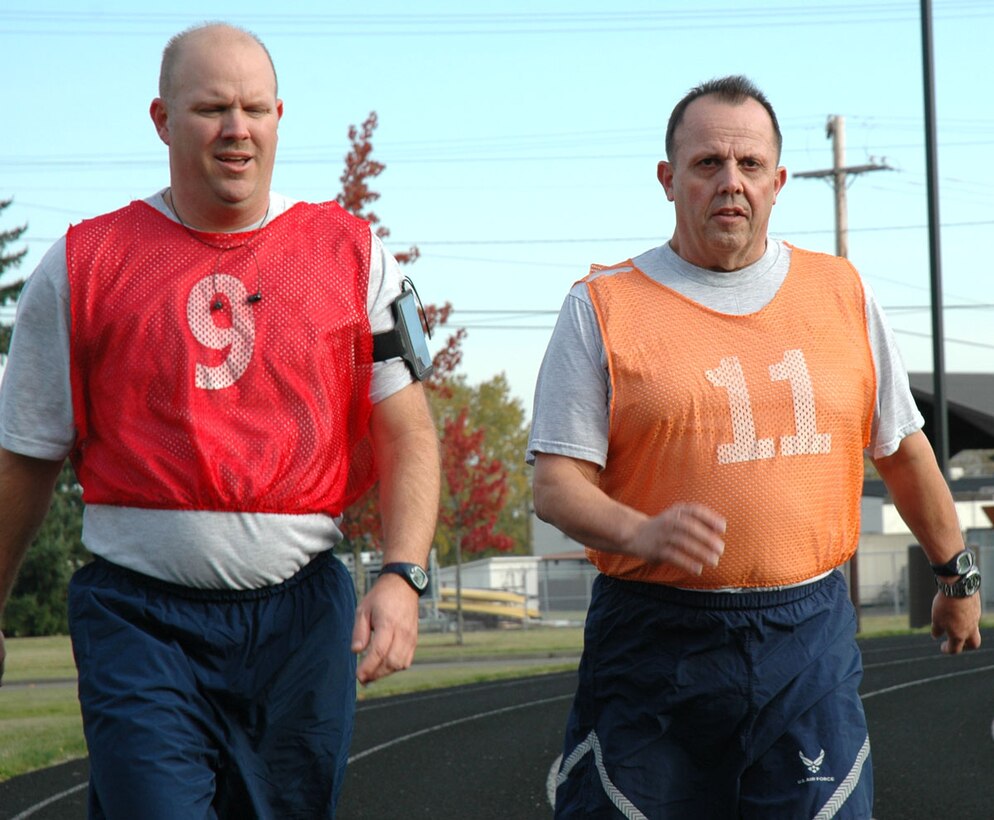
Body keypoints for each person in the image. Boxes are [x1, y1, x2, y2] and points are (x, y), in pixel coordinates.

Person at [0, 22, 439, 819]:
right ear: (163, 121)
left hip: (302, 620)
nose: (236, 129)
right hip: (140, 619)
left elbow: (406, 431)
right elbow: (26, 458)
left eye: (253, 108)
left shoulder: (355, 254)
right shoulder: (81, 266)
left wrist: (403, 575)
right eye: (210, 109)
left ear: (278, 116)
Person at [528, 75, 981, 819]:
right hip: (652, 643)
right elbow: (556, 487)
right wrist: (640, 531)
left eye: (748, 166)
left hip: (805, 640)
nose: (729, 183)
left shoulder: (843, 294)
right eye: (707, 164)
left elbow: (903, 452)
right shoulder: (601, 306)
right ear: (668, 180)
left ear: (778, 181)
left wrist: (957, 580)